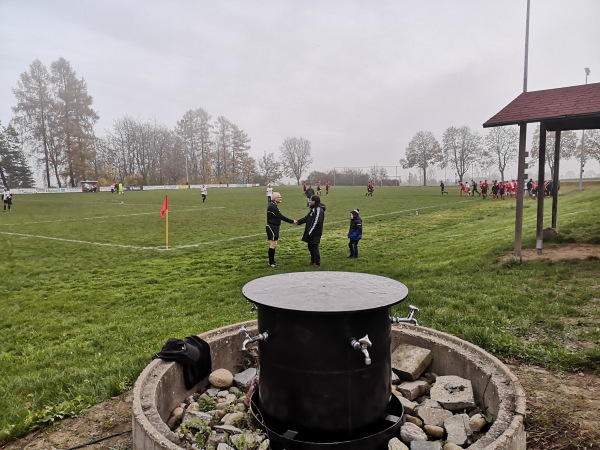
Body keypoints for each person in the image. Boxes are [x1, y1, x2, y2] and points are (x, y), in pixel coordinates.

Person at [266, 192, 295, 268]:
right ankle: (271, 263)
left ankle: (272, 261)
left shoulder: (274, 206)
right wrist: (292, 221)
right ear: (275, 198)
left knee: (274, 244)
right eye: (279, 197)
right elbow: (281, 216)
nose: (280, 198)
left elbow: (277, 217)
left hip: (275, 227)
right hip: (272, 227)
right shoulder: (272, 207)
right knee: (273, 244)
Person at [296, 194, 326, 266]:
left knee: (314, 246)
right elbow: (307, 218)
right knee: (310, 246)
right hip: (310, 231)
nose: (309, 201)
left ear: (314, 201)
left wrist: (311, 231)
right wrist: (298, 222)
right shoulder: (313, 209)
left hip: (315, 232)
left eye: (311, 200)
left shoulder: (318, 209)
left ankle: (317, 262)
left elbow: (317, 221)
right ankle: (313, 261)